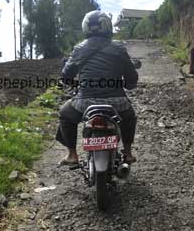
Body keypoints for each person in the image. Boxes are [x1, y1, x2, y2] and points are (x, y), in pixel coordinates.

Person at [56, 10, 139, 165]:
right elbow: (131, 75)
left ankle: (72, 155)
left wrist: (72, 83)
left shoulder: (79, 48)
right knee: (129, 116)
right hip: (117, 102)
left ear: (86, 27)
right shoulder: (119, 48)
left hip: (85, 102)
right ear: (107, 27)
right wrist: (129, 84)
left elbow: (66, 75)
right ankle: (127, 153)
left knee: (64, 114)